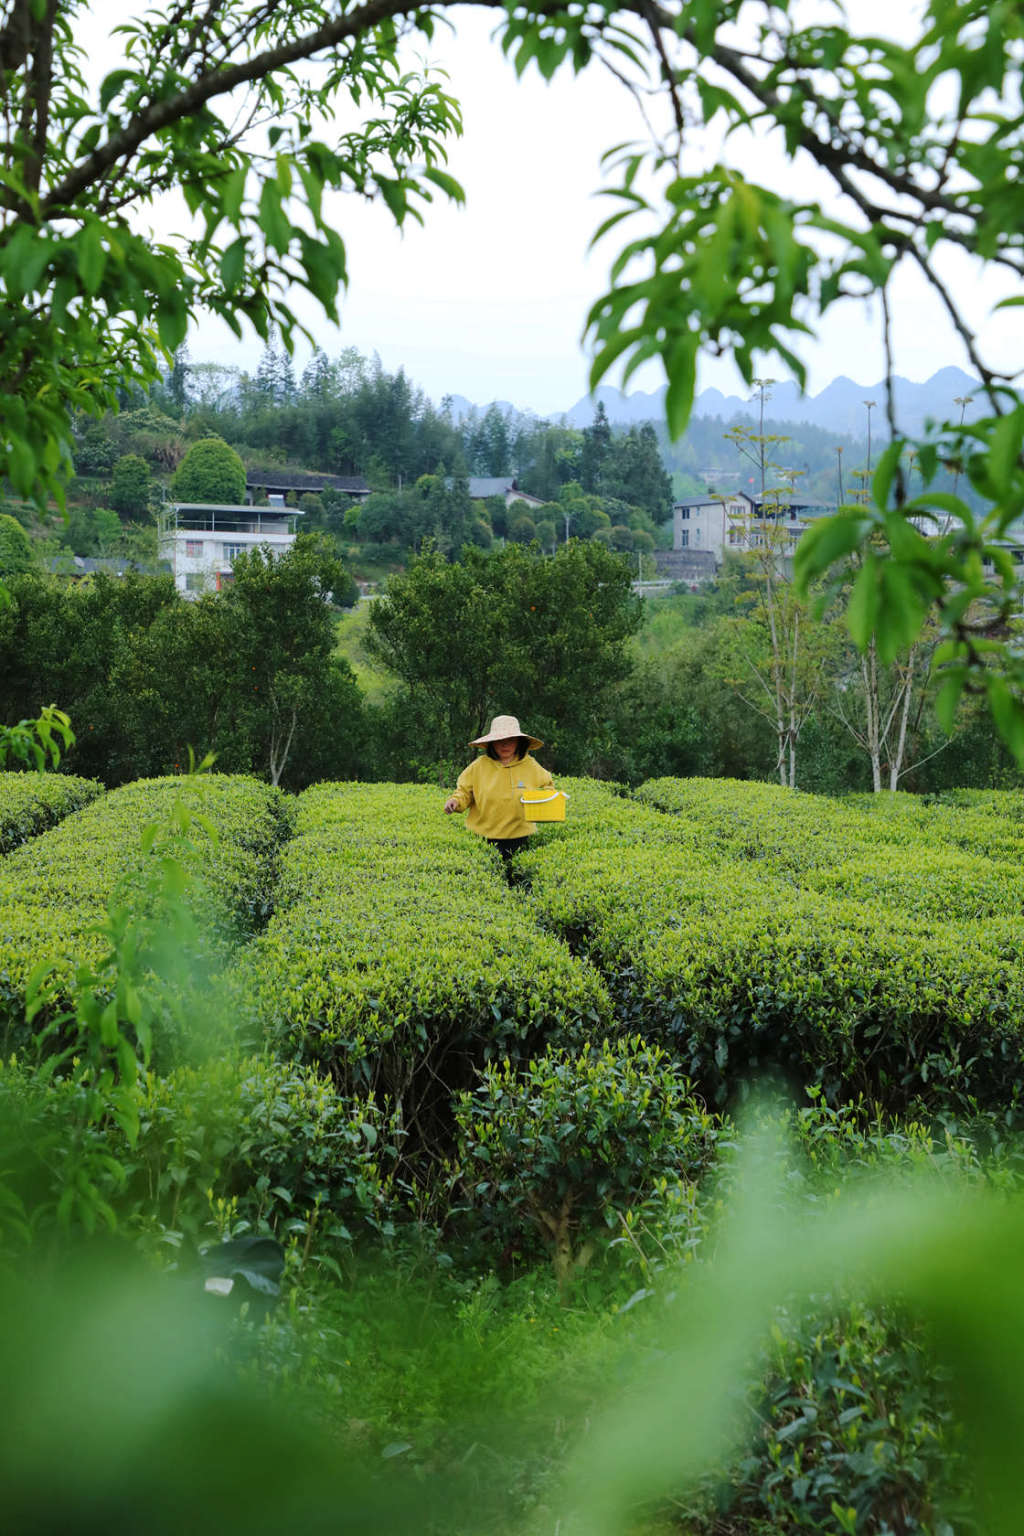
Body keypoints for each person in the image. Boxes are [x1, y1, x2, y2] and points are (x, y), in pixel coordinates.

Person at [443, 713, 555, 859]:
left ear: (519, 742)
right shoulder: (479, 766)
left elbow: (547, 786)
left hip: (520, 837)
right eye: (500, 740)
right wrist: (455, 802)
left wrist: (544, 801)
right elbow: (464, 792)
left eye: (510, 740)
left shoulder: (531, 766)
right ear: (492, 743)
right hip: (483, 837)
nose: (505, 744)